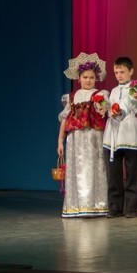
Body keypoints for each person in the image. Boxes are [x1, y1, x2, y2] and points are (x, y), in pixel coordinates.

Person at [57, 53, 109, 218]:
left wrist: (102, 107)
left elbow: (104, 107)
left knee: (94, 167)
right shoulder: (71, 97)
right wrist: (60, 141)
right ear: (79, 78)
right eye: (85, 77)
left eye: (92, 77)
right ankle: (76, 205)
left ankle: (96, 204)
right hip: (76, 139)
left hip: (93, 136)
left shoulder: (100, 94)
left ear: (96, 78)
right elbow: (65, 119)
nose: (88, 80)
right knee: (77, 169)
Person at [103, 57, 137, 217]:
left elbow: (129, 102)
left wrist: (119, 111)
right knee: (114, 173)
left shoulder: (135, 87)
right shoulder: (113, 90)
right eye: (116, 72)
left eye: (122, 72)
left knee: (131, 172)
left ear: (131, 71)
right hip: (112, 134)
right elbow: (108, 107)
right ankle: (115, 208)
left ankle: (131, 208)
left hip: (128, 131)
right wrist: (106, 109)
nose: (119, 75)